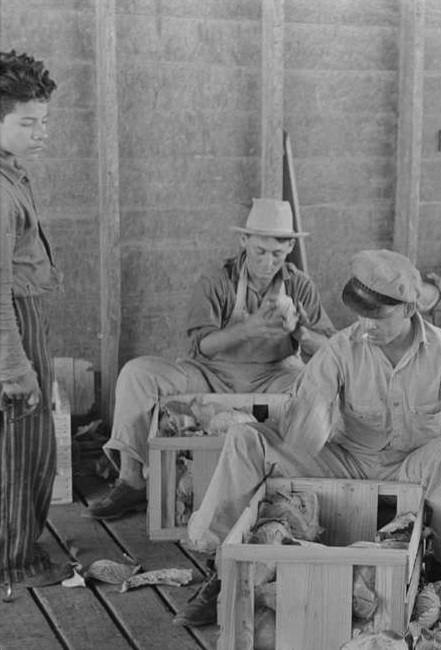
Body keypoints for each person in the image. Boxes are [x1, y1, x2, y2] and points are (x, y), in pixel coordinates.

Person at [173, 249, 441, 627]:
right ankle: (221, 567)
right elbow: (308, 407)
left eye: (378, 316)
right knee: (246, 439)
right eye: (361, 313)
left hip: (411, 467)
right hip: (347, 462)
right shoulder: (341, 348)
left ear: (409, 310)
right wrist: (308, 421)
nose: (366, 324)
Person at [86, 198, 335, 520]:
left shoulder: (300, 285)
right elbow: (202, 346)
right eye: (259, 251)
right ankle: (131, 480)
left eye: (277, 253)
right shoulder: (217, 281)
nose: (267, 261)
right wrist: (250, 328)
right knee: (137, 373)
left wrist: (301, 333)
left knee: (321, 388)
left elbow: (330, 348)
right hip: (211, 372)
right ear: (244, 241)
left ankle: (295, 482)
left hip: (275, 374)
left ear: (289, 248)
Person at [0, 50, 71, 587]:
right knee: (21, 444)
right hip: (12, 321)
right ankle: (15, 561)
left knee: (27, 439)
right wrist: (14, 367)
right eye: (28, 123)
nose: (41, 132)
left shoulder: (12, 172)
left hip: (26, 313)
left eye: (44, 121)